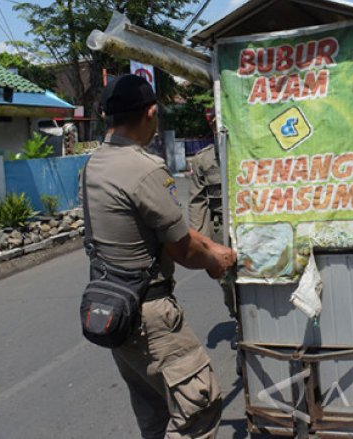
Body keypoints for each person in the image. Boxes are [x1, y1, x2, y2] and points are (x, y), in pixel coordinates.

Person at [82, 74, 237, 439]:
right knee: (199, 403)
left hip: (112, 303)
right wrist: (216, 260)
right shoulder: (145, 167)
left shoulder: (96, 163)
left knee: (155, 412)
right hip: (149, 313)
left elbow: (161, 228)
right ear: (151, 112)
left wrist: (211, 246)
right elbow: (183, 250)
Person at [189, 108, 238, 348]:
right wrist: (202, 247)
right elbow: (198, 202)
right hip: (222, 232)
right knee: (228, 283)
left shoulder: (249, 150)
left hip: (254, 227)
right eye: (214, 124)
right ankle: (240, 322)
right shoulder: (203, 160)